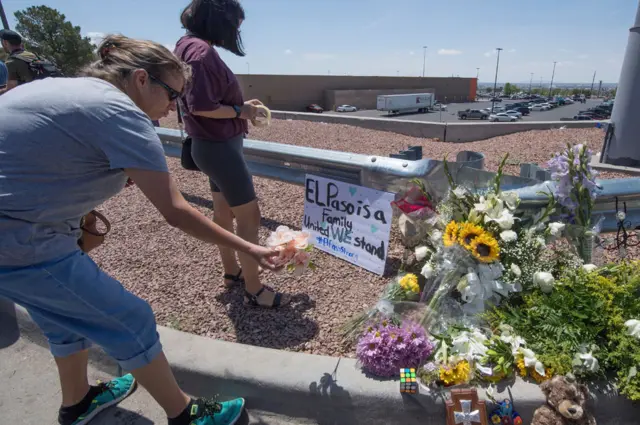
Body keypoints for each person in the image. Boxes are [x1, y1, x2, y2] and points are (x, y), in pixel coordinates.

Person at [0, 34, 281, 425]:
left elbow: (43, 162)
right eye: (172, 95)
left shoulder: (61, 88)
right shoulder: (119, 111)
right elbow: (176, 211)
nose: (172, 110)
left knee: (63, 316)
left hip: (19, 231)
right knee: (130, 317)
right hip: (21, 240)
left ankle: (78, 402)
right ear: (140, 80)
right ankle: (185, 414)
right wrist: (250, 249)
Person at [175, 0, 288, 308]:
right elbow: (203, 106)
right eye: (235, 24)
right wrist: (243, 110)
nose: (237, 31)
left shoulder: (185, 46)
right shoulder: (201, 53)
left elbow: (201, 101)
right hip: (219, 148)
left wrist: (241, 107)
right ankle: (254, 287)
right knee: (249, 216)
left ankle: (232, 273)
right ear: (219, 21)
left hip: (207, 146)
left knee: (223, 214)